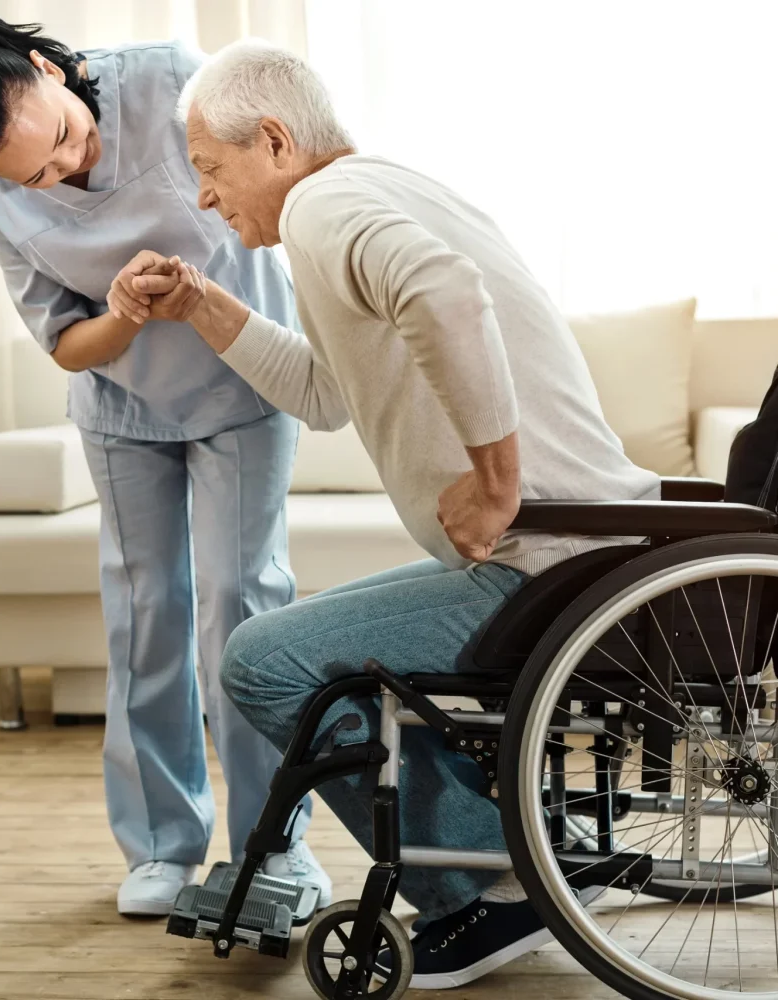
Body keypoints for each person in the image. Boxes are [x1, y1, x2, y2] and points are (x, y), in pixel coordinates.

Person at [117, 39, 660, 988]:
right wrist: (203, 305)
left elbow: (445, 293)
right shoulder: (371, 192)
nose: (205, 197)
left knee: (262, 658)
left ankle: (483, 895)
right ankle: (524, 852)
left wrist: (497, 479)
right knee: (307, 647)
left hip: (547, 562)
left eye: (209, 168)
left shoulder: (327, 207)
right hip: (575, 551)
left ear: (275, 142)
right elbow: (328, 393)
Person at [0, 19, 330, 917]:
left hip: (241, 379)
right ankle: (160, 845)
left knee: (243, 608)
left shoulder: (173, 80)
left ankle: (277, 846)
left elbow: (279, 182)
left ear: (49, 69)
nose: (63, 171)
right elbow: (70, 344)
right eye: (35, 176)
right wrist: (126, 311)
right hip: (122, 405)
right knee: (146, 618)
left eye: (64, 139)